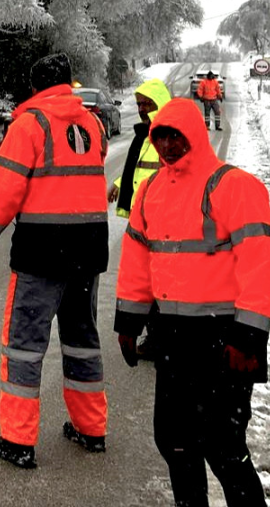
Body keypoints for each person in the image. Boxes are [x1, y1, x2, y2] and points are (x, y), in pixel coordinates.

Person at [115, 97, 270, 507]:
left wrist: (248, 336)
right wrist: (129, 323)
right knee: (175, 441)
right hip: (173, 338)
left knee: (224, 446)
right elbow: (137, 258)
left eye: (176, 136)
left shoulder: (233, 186)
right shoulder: (151, 190)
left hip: (224, 338)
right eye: (162, 137)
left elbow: (261, 261)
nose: (168, 146)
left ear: (195, 135)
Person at [0, 53, 110, 469]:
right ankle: (91, 429)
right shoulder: (93, 124)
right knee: (82, 341)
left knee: (25, 348)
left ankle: (18, 440)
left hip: (43, 254)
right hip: (87, 253)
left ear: (36, 87)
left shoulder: (29, 126)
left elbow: (5, 191)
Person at [106, 78, 173, 359]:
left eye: (147, 103)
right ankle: (156, 337)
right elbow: (139, 168)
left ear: (160, 103)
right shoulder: (145, 134)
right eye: (139, 104)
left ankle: (160, 340)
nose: (143, 109)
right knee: (147, 280)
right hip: (143, 219)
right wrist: (121, 183)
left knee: (158, 283)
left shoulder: (165, 133)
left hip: (163, 220)